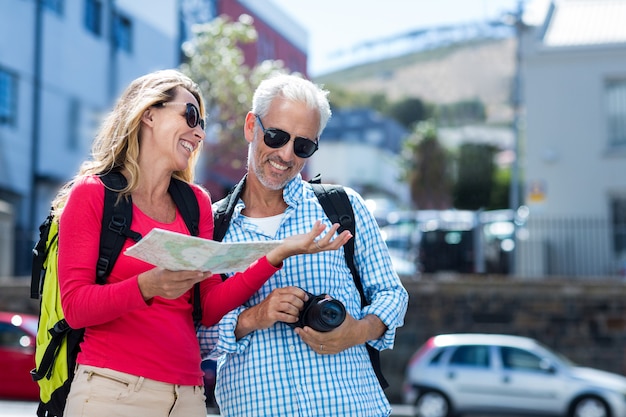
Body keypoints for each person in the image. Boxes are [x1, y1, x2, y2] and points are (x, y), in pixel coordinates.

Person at [55, 69, 352, 417]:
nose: (198, 132)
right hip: (112, 389)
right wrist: (148, 285)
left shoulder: (196, 204)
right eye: (190, 115)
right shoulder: (94, 194)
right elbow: (75, 308)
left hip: (187, 396)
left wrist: (277, 253)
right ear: (149, 113)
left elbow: (210, 307)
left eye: (201, 123)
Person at [197, 73, 409, 416]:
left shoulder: (342, 208)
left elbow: (392, 294)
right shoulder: (210, 228)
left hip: (353, 407)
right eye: (276, 136)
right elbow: (192, 335)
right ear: (252, 126)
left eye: (302, 145)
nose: (286, 154)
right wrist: (254, 316)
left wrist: (357, 331)